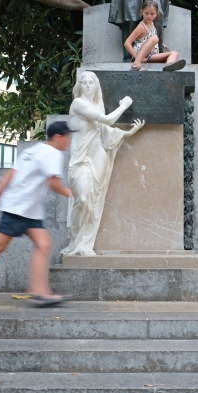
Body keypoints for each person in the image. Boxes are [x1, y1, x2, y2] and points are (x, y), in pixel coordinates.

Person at [0, 121, 74, 308]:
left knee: (43, 245)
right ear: (58, 137)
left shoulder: (32, 151)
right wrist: (71, 193)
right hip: (19, 208)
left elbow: (11, 174)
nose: (68, 142)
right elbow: (53, 183)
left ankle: (39, 292)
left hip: (28, 210)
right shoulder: (53, 153)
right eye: (67, 137)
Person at [62, 71, 145, 256]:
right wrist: (123, 105)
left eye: (92, 82)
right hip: (80, 157)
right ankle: (75, 239)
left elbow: (104, 130)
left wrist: (127, 133)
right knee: (82, 198)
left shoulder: (96, 105)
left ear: (97, 85)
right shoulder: (78, 103)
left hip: (97, 152)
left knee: (95, 199)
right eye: (84, 82)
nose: (88, 85)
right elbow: (107, 119)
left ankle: (85, 243)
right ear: (79, 85)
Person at [124, 0, 186, 72]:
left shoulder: (153, 25)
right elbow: (127, 43)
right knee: (155, 38)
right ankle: (136, 64)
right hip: (140, 54)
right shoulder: (141, 27)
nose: (149, 16)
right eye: (146, 13)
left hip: (151, 55)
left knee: (174, 53)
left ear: (156, 14)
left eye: (152, 14)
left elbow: (149, 39)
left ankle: (169, 65)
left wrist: (161, 44)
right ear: (141, 12)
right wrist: (136, 57)